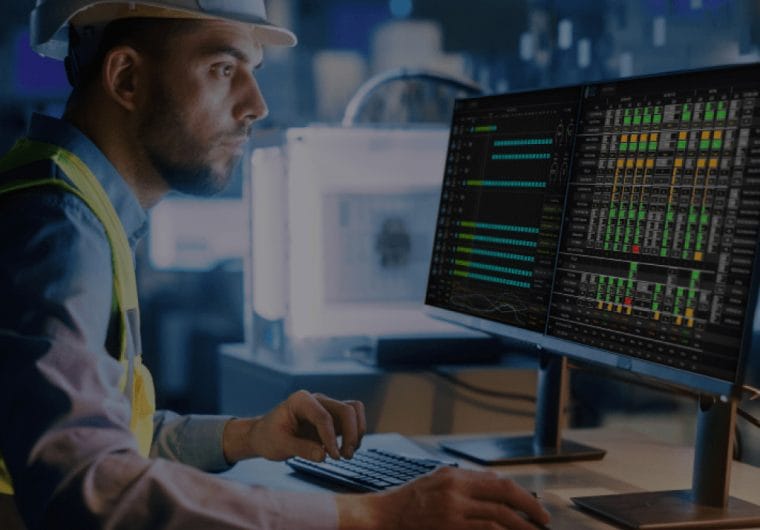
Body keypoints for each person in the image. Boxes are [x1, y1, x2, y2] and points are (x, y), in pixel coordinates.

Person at [0, 1, 552, 529]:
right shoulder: (59, 226)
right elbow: (87, 485)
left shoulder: (70, 199)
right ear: (125, 79)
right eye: (222, 68)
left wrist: (248, 437)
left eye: (254, 71)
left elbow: (103, 436)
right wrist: (376, 516)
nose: (256, 105)